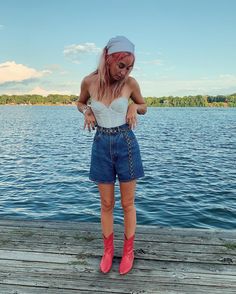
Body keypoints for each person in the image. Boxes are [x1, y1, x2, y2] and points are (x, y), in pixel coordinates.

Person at [77, 36, 147, 275]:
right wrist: (86, 110)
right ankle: (108, 251)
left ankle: (129, 251)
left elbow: (144, 106)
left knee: (128, 203)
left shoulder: (130, 84)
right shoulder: (89, 81)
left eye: (129, 67)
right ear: (108, 59)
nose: (125, 72)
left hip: (125, 142)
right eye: (121, 66)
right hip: (100, 144)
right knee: (106, 204)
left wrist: (132, 106)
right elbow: (79, 102)